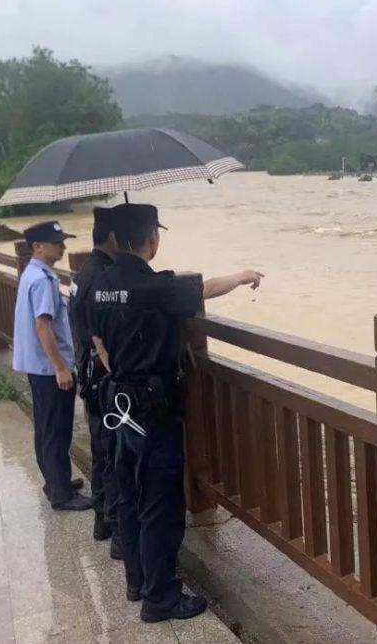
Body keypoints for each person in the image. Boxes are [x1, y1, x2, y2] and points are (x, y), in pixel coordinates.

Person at [90, 203, 262, 622]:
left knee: (129, 495)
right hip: (153, 411)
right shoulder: (155, 287)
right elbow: (202, 289)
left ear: (115, 240)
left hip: (118, 403)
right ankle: (160, 598)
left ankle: (137, 583)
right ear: (152, 239)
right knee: (161, 505)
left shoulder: (99, 285)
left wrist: (121, 376)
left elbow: (98, 341)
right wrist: (242, 275)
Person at [12, 220, 93, 512]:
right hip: (49, 369)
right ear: (38, 246)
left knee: (46, 429)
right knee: (57, 431)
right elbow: (43, 327)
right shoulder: (43, 280)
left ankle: (56, 482)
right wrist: (60, 367)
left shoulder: (31, 274)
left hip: (37, 366)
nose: (63, 247)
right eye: (57, 243)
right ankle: (61, 494)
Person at [68, 207, 123, 549]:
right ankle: (118, 532)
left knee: (103, 454)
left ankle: (103, 522)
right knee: (113, 456)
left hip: (88, 375)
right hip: (102, 378)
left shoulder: (85, 272)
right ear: (115, 238)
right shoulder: (101, 277)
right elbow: (103, 335)